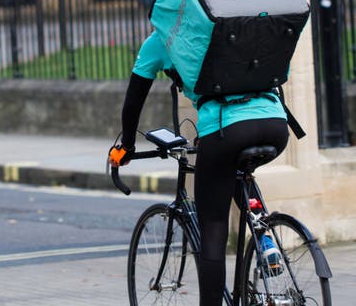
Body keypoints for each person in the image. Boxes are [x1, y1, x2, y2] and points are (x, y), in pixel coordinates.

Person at [109, 30, 290, 306]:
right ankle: (264, 236)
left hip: (224, 128)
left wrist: (127, 147)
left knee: (213, 230)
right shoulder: (229, 25)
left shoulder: (161, 39)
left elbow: (134, 101)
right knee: (235, 169)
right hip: (276, 123)